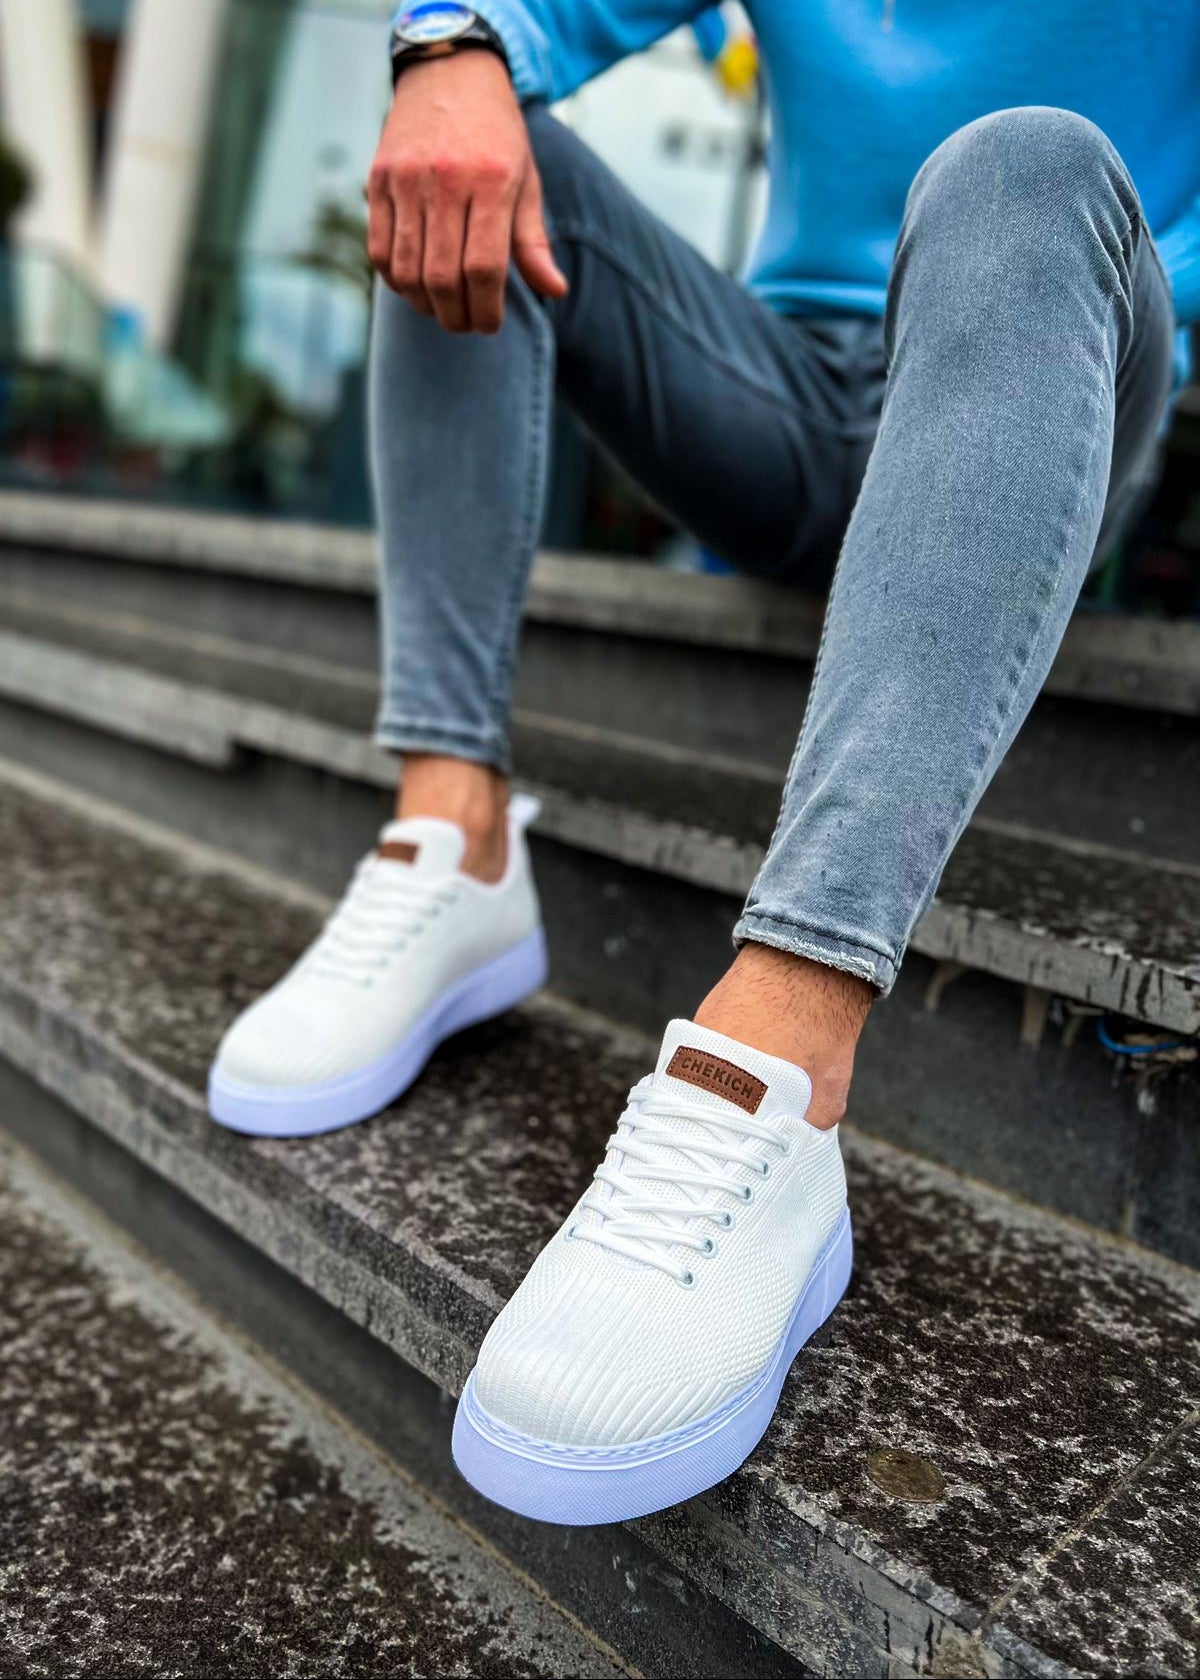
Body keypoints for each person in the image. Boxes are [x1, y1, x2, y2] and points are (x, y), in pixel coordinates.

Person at [208, 0, 1200, 1526]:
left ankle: (784, 1058)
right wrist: (445, 46)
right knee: (478, 145)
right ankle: (450, 838)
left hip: (1053, 331)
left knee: (1025, 166)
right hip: (788, 394)